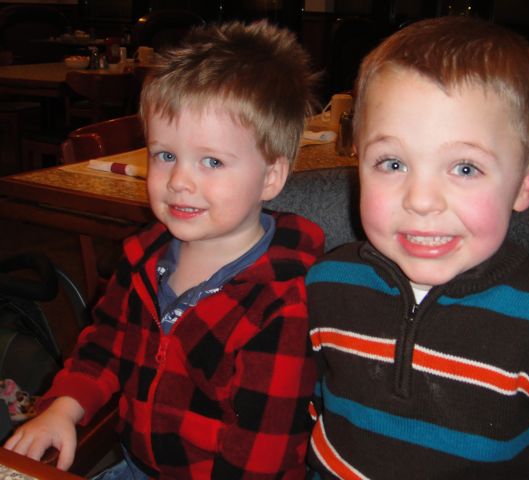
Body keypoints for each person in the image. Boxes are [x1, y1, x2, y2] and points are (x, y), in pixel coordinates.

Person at [305, 16, 529, 479]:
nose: (421, 200)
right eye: (393, 163)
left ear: (526, 184)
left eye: (465, 168)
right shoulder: (324, 284)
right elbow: (309, 410)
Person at [5, 20, 323, 479]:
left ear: (271, 177)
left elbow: (262, 455)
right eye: (165, 155)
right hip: (137, 464)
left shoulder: (281, 304)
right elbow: (106, 345)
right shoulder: (143, 258)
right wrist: (64, 407)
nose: (179, 181)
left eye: (211, 161)